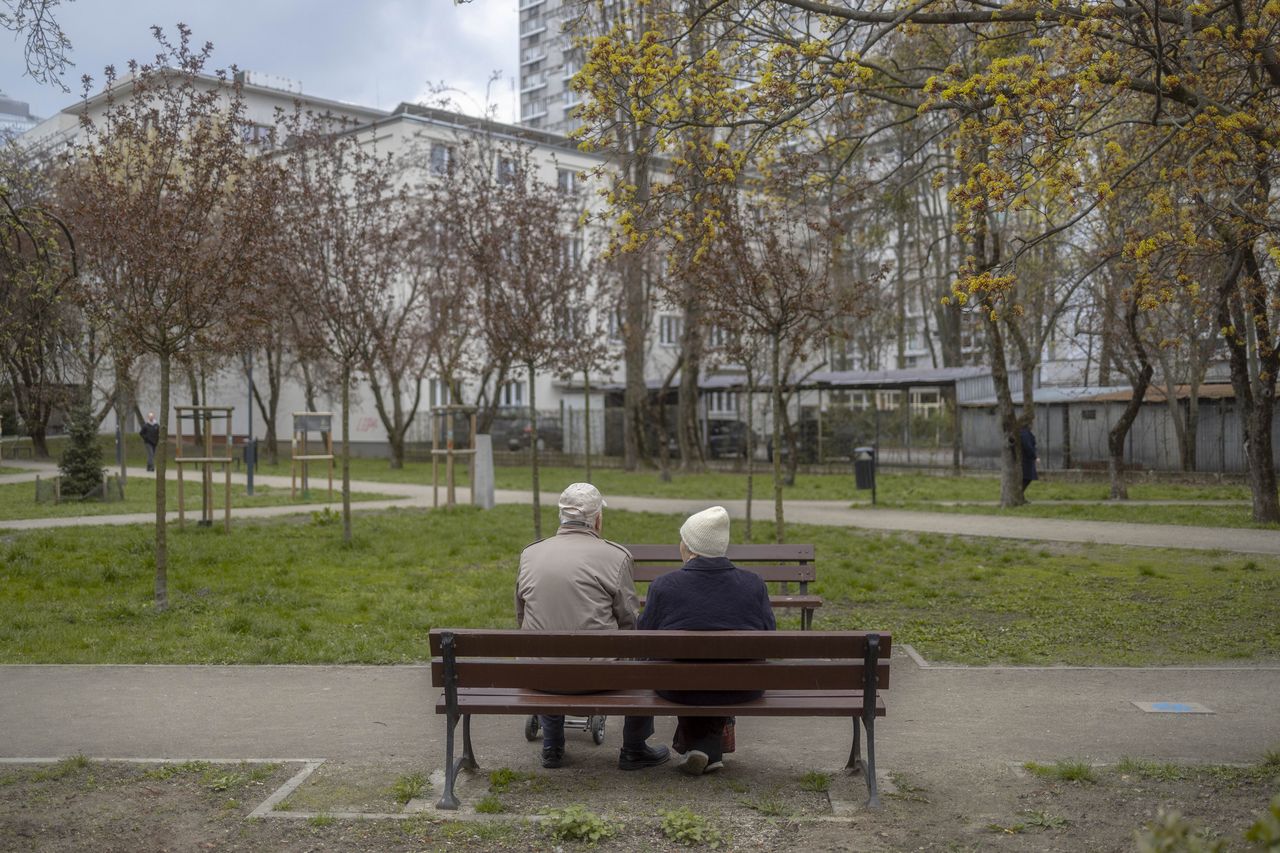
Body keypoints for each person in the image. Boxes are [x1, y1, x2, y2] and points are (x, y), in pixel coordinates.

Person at [515, 482, 669, 771]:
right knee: (644, 654)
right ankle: (634, 748)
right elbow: (629, 622)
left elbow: (521, 614)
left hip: (539, 675)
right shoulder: (616, 556)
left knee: (546, 652)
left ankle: (552, 745)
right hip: (599, 676)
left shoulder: (530, 554)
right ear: (597, 519)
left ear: (561, 516)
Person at [638, 505, 774, 776]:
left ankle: (699, 748)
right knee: (718, 672)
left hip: (677, 687)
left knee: (686, 671)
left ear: (689, 548)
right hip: (742, 687)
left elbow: (644, 639)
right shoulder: (754, 584)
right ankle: (707, 749)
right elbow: (769, 636)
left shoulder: (664, 585)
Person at [1019, 425, 1039, 493]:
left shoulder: (1023, 433)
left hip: (1026, 459)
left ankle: (1020, 494)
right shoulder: (1025, 434)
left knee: (1026, 478)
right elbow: (1028, 446)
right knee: (1027, 478)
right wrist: (1035, 456)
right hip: (1026, 460)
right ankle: (1019, 494)